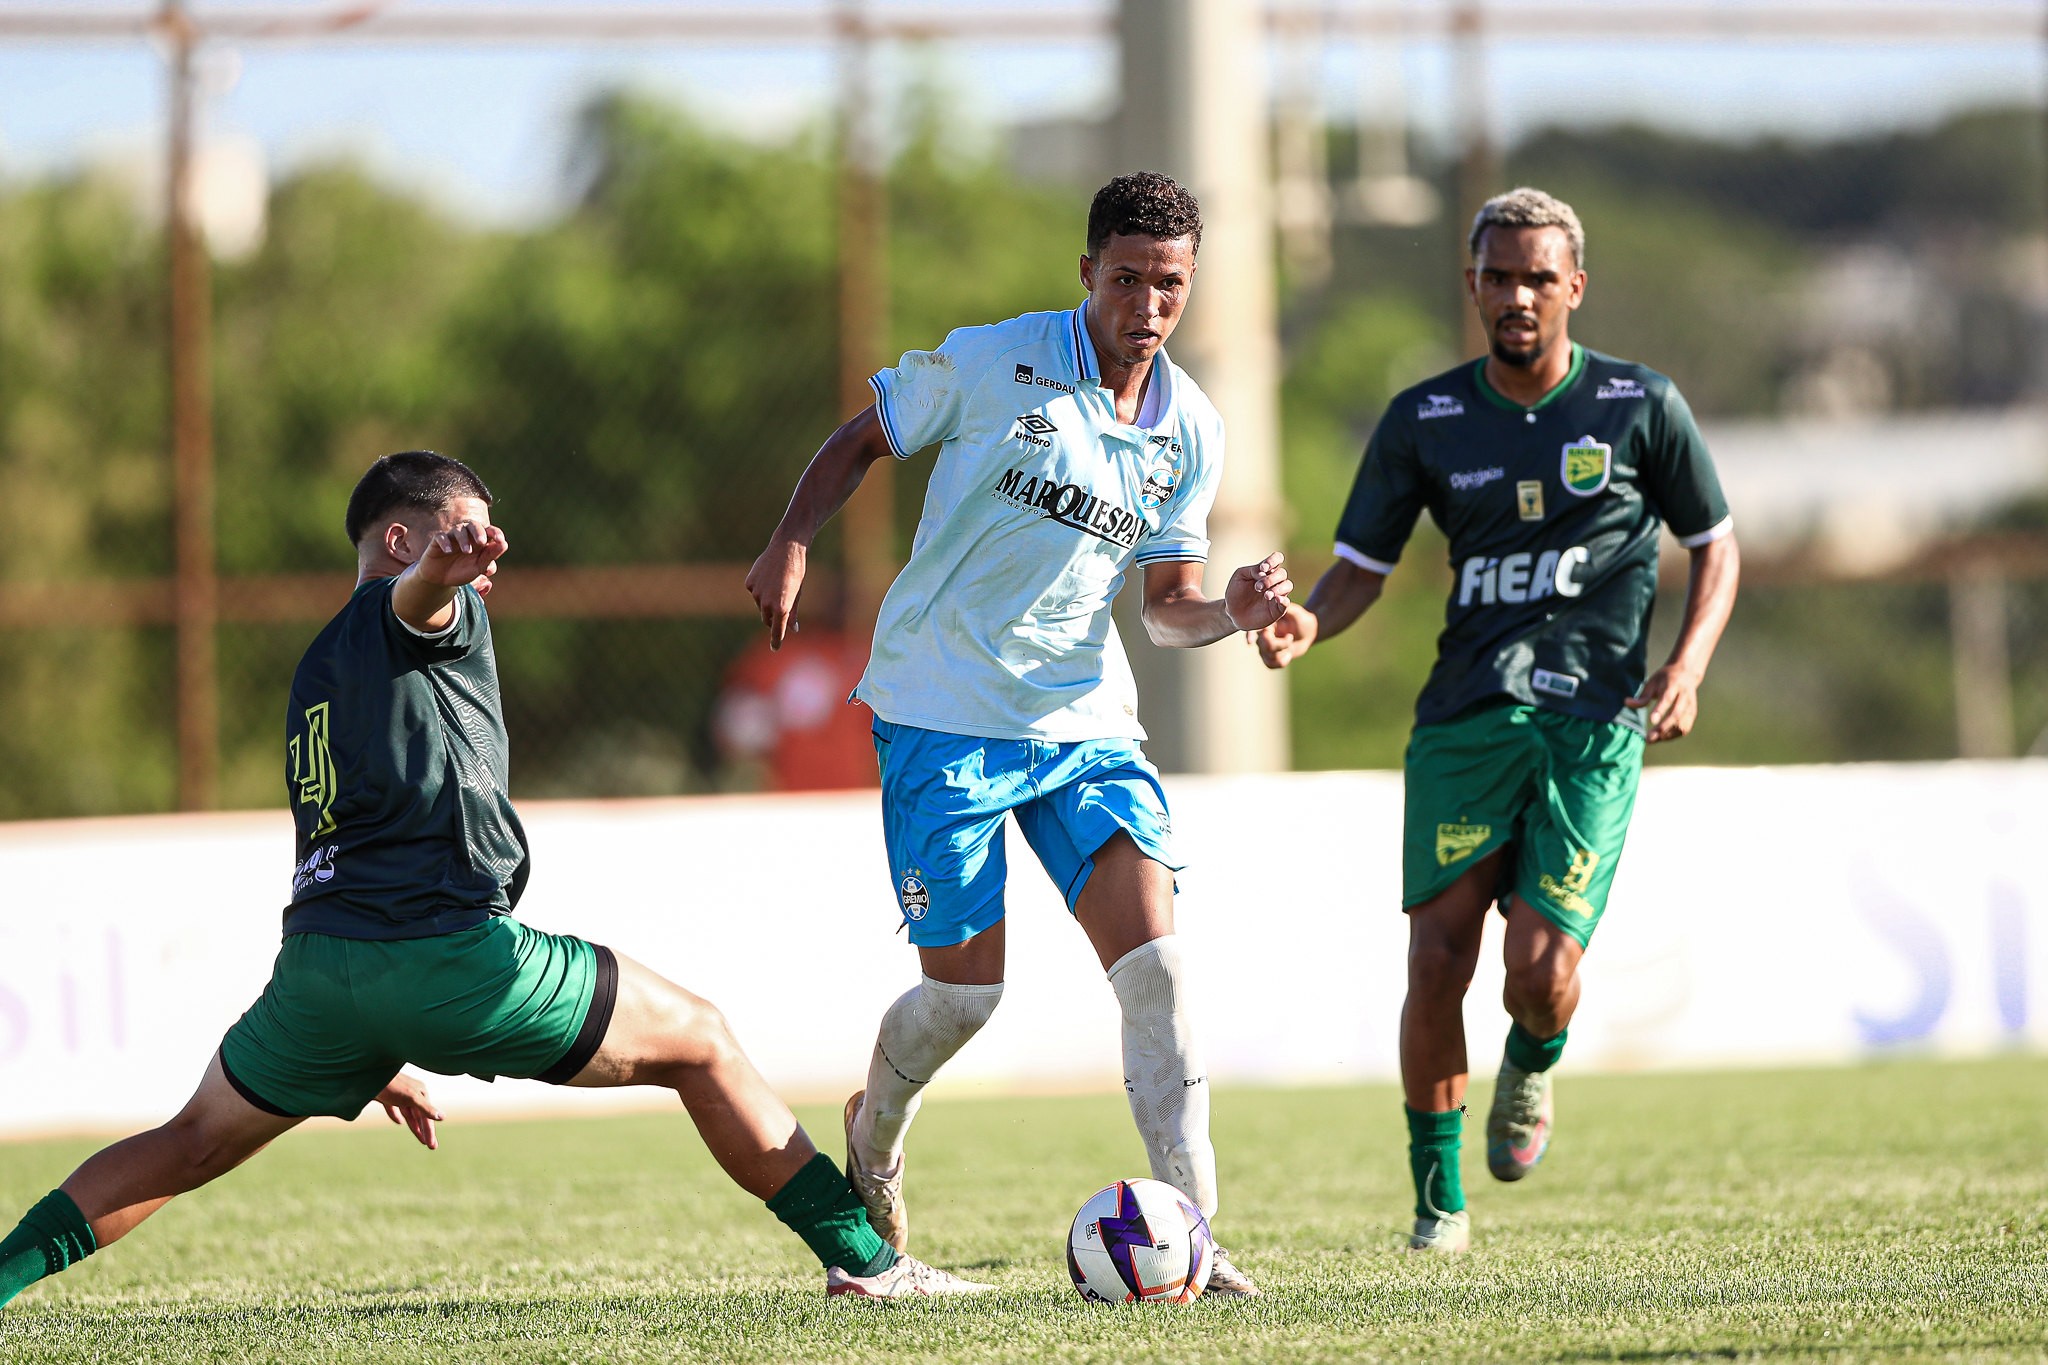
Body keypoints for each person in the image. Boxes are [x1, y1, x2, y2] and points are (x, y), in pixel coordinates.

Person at [0, 451, 987, 1309]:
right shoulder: (431, 612)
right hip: (446, 956)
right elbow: (417, 604)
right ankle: (866, 1263)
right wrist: (442, 571)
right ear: (400, 540)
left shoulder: (317, 669)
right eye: (460, 533)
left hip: (320, 975)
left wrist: (370, 1038)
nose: (483, 556)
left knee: (184, 1143)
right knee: (701, 1043)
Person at [746, 172, 1290, 1297]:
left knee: (1160, 973)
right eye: (1127, 277)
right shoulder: (996, 359)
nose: (1147, 302)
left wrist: (1227, 615)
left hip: (1081, 722)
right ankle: (876, 1131)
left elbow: (1166, 605)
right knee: (964, 998)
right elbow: (861, 439)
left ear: (1192, 289)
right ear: (1087, 270)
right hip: (939, 711)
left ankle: (1196, 1234)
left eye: (1170, 285)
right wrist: (792, 541)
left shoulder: (1189, 425)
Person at [1257, 188, 1740, 1253]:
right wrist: (1303, 625)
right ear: (1470, 285)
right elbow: (1355, 573)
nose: (1516, 294)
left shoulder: (1637, 404)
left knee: (1537, 972)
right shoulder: (1423, 420)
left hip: (1591, 727)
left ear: (1573, 287)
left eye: (1536, 277)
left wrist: (1686, 664)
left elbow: (1714, 542)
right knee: (1435, 959)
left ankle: (1528, 1068)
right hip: (1463, 722)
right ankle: (1437, 1206)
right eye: (1497, 276)